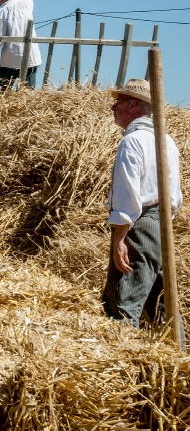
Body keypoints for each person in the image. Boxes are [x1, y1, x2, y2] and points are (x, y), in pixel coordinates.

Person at [102, 79, 183, 334]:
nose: (113, 107)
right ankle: (180, 358)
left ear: (133, 105)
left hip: (140, 224)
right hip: (162, 227)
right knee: (160, 303)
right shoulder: (167, 142)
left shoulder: (133, 141)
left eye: (119, 101)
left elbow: (127, 198)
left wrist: (120, 240)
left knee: (122, 306)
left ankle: (121, 363)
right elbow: (175, 195)